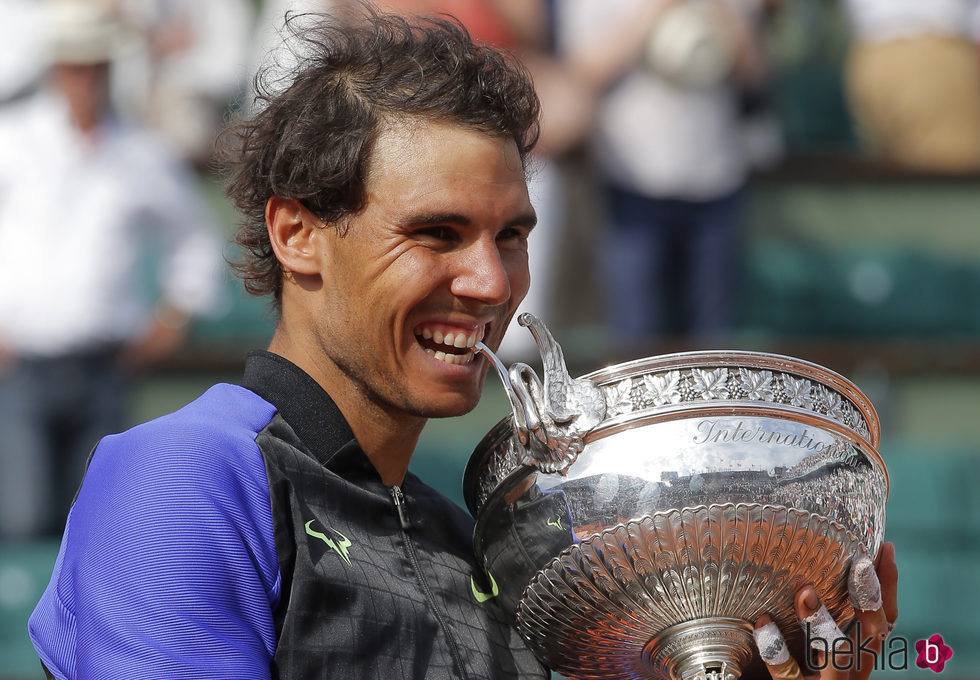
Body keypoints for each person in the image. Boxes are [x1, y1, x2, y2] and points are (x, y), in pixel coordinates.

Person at [28, 6, 896, 680]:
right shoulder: (186, 476)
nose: (491, 283)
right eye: (436, 232)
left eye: (510, 235)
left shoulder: (467, 538)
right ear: (297, 234)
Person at [0, 0, 224, 540]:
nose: (85, 77)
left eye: (94, 63)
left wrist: (172, 320)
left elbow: (194, 238)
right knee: (22, 520)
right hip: (22, 367)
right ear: (57, 67)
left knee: (98, 525)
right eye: (75, 63)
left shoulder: (141, 152)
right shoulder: (12, 140)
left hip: (105, 369)